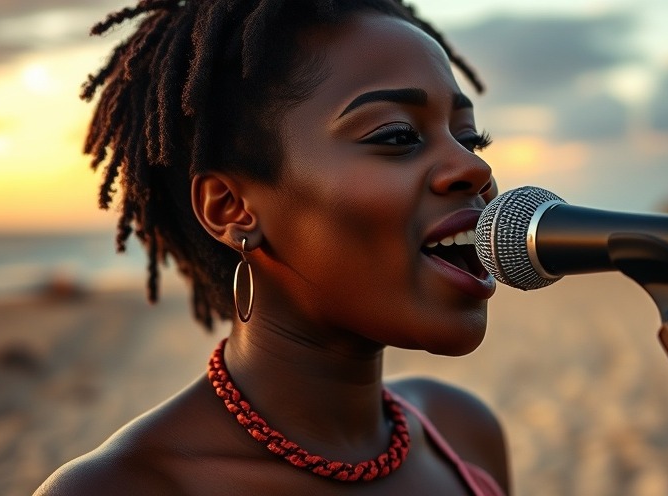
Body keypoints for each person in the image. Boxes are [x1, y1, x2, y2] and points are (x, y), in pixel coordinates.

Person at [36, 0, 508, 494]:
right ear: (230, 209)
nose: (475, 170)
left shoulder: (463, 433)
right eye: (397, 136)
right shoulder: (116, 488)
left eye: (470, 138)